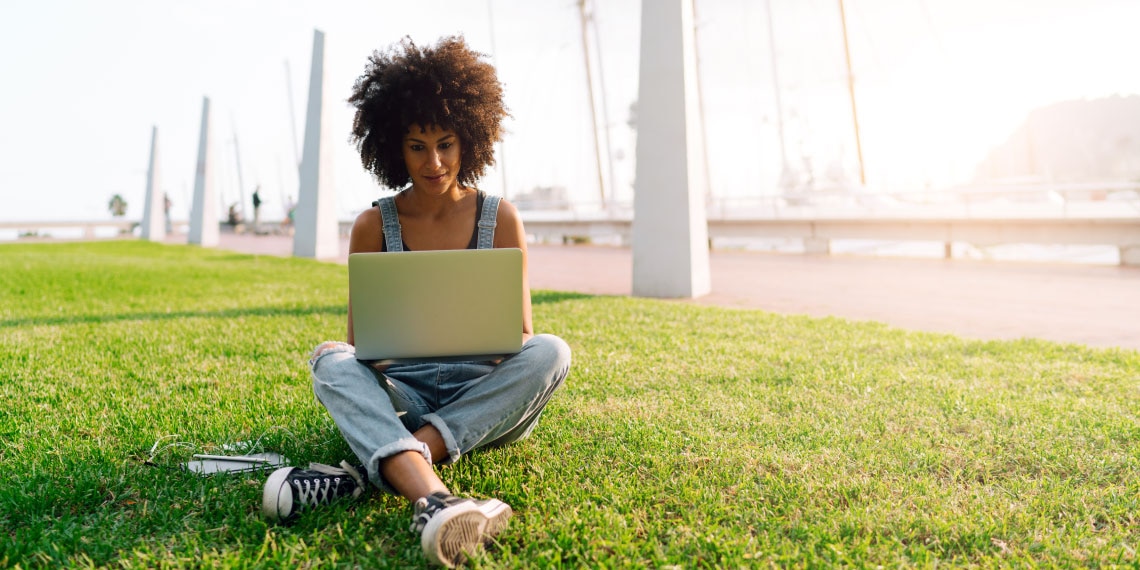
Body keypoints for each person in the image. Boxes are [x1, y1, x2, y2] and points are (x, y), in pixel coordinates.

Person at [261, 36, 571, 568]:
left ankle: (378, 467)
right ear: (392, 148)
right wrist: (381, 354)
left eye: (446, 143)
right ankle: (435, 498)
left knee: (552, 351)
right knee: (330, 359)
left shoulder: (502, 218)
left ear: (469, 138)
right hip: (404, 392)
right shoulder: (371, 225)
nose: (434, 162)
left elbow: (521, 335)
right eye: (417, 146)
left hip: (484, 395)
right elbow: (362, 348)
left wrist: (482, 336)